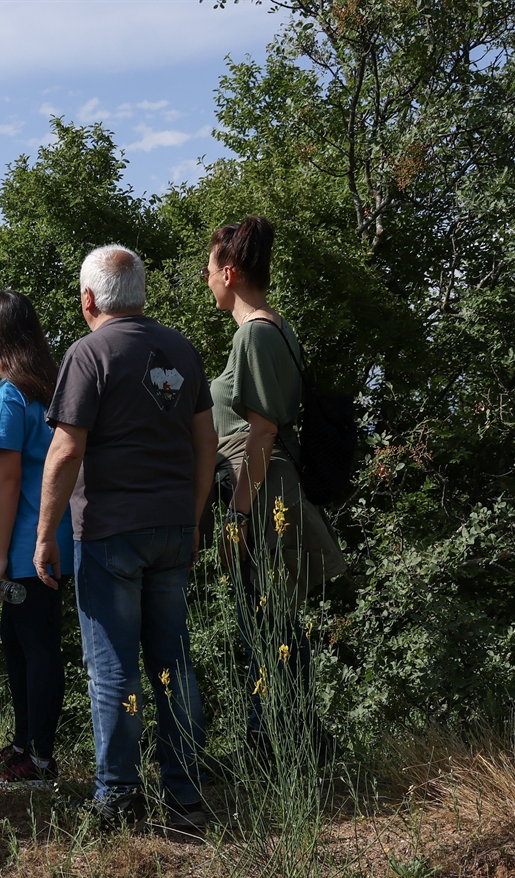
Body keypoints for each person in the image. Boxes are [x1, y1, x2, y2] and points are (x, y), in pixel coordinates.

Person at [32, 245, 215, 830]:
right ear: (140, 294)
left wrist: (44, 537)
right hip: (172, 526)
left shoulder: (89, 354)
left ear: (89, 298)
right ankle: (186, 791)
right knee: (173, 660)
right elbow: (206, 442)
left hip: (111, 532)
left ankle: (118, 795)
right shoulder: (182, 349)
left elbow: (64, 450)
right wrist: (192, 515)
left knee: (114, 667)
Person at [203, 215, 346, 749]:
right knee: (273, 622)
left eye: (211, 267)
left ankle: (278, 741)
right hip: (265, 485)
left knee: (267, 623)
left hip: (261, 491)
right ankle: (290, 736)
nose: (206, 276)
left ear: (231, 271)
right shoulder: (273, 330)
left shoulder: (257, 335)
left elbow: (260, 432)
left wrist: (238, 515)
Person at [0, 291, 73, 791]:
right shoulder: (53, 386)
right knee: (25, 642)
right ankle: (25, 744)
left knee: (31, 647)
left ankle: (38, 759)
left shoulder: (7, 394)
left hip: (26, 546)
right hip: (62, 537)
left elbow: (7, 479)